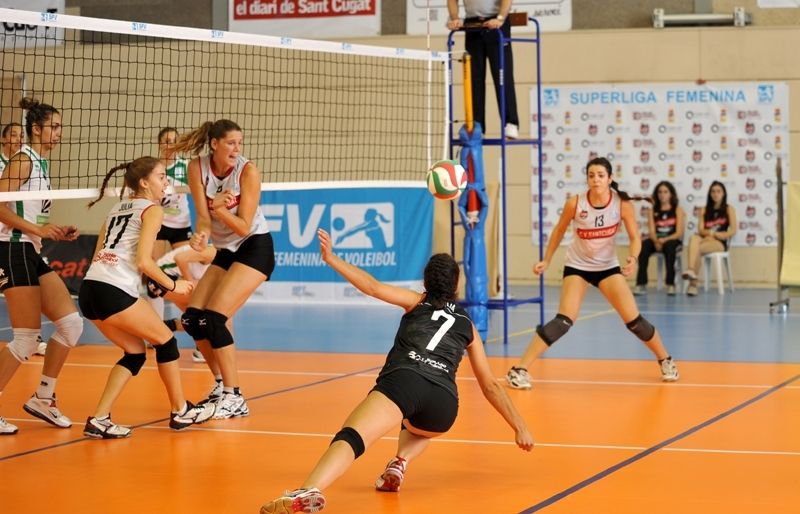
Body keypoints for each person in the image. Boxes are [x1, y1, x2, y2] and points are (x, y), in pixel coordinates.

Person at [260, 229, 533, 514]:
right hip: (443, 405)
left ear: (426, 282)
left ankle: (309, 491)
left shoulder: (416, 301)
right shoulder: (468, 326)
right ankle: (400, 462)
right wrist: (520, 426)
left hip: (405, 380)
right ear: (455, 286)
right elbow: (490, 385)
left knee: (352, 436)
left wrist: (331, 258)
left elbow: (372, 286)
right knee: (418, 425)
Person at [505, 157, 680, 390]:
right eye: (591, 175)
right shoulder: (575, 203)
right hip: (577, 266)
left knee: (634, 321)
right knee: (564, 321)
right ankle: (519, 370)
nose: (595, 179)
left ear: (610, 178)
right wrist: (546, 260)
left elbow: (635, 238)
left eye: (600, 175)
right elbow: (558, 232)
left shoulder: (622, 204)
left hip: (607, 267)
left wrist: (634, 258)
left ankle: (665, 360)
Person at [79, 156, 215, 439]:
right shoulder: (152, 210)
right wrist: (174, 286)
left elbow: (96, 257)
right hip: (113, 289)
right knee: (166, 342)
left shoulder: (116, 209)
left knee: (135, 352)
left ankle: (99, 418)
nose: (166, 182)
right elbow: (144, 262)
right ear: (144, 182)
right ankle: (180, 411)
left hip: (90, 288)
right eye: (161, 176)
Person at [172, 119, 275, 419]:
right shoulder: (197, 168)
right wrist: (201, 233)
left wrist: (219, 209)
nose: (236, 148)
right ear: (214, 143)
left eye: (239, 143)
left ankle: (235, 397)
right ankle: (220, 385)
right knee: (193, 319)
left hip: (255, 247)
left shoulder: (248, 171)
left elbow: (243, 227)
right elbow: (203, 218)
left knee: (215, 319)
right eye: (231, 142)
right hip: (225, 250)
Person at [0, 98, 83, 435]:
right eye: (54, 127)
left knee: (71, 325)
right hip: (9, 248)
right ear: (36, 129)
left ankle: (43, 398)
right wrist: (37, 230)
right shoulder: (23, 161)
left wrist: (53, 231)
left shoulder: (41, 165)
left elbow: (33, 215)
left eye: (60, 127)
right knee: (25, 339)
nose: (58, 133)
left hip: (29, 250)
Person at [447, 0, 519, 139]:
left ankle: (510, 123)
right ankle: (477, 126)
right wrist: (455, 18)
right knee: (474, 78)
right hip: (473, 25)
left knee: (502, 75)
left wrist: (500, 18)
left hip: (496, 24)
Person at [146, 243, 220, 364]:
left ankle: (168, 326)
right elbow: (180, 258)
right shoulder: (212, 252)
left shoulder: (219, 262)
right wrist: (190, 282)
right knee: (207, 312)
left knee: (194, 319)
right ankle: (199, 349)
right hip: (159, 279)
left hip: (167, 279)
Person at [681, 180, 737, 296]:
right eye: (713, 191)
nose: (716, 194)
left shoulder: (728, 209)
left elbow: (732, 230)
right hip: (706, 240)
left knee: (696, 248)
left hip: (720, 243)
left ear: (723, 193)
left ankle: (693, 283)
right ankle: (691, 270)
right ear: (710, 194)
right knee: (694, 238)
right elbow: (701, 230)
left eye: (718, 191)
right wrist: (712, 234)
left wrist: (714, 235)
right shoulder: (704, 209)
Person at [634, 181, 685, 296]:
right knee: (644, 245)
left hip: (672, 240)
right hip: (656, 240)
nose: (662, 194)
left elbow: (679, 233)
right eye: (660, 192)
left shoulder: (678, 210)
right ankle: (641, 284)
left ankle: (671, 284)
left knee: (670, 247)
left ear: (671, 194)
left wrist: (664, 240)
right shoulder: (652, 210)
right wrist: (656, 241)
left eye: (665, 192)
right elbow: (652, 231)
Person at [153, 127, 191, 260]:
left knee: (185, 264)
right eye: (168, 141)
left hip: (181, 223)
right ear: (160, 144)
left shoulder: (187, 165)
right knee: (154, 267)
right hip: (159, 223)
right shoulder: (154, 168)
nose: (172, 145)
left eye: (175, 141)